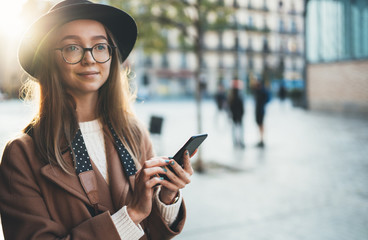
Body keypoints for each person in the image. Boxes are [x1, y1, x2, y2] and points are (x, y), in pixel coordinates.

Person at [0, 1, 194, 239]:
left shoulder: (134, 132)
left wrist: (166, 197)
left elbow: (152, 233)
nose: (89, 58)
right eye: (72, 48)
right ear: (49, 60)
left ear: (112, 55)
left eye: (100, 46)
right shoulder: (22, 154)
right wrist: (130, 215)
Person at [228, 80, 245, 149]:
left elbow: (230, 107)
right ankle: (239, 141)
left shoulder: (231, 97)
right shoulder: (237, 97)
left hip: (235, 115)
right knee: (239, 129)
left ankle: (236, 142)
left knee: (236, 129)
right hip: (238, 115)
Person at [253, 81, 270, 147]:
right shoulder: (257, 91)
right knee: (259, 125)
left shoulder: (262, 92)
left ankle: (262, 139)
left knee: (261, 125)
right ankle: (260, 139)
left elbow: (266, 100)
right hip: (258, 110)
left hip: (261, 111)